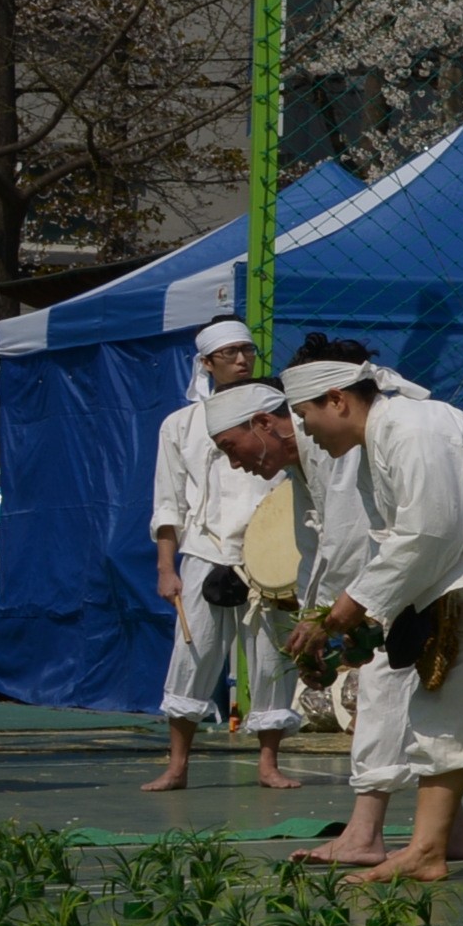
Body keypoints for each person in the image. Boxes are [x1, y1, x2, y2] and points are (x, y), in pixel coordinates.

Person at [221, 354, 463, 882]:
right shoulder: (367, 452)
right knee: (443, 711)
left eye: (304, 415)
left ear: (336, 400)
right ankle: (428, 850)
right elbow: (380, 545)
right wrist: (349, 623)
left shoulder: (414, 427)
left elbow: (430, 532)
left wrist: (347, 611)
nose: (305, 430)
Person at [141, 323, 300, 794]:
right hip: (205, 551)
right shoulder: (179, 425)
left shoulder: (275, 414)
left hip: (271, 552)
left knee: (273, 658)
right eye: (228, 352)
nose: (241, 359)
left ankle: (268, 764)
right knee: (192, 655)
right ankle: (177, 765)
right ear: (206, 363)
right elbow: (169, 502)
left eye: (246, 350)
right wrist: (166, 569)